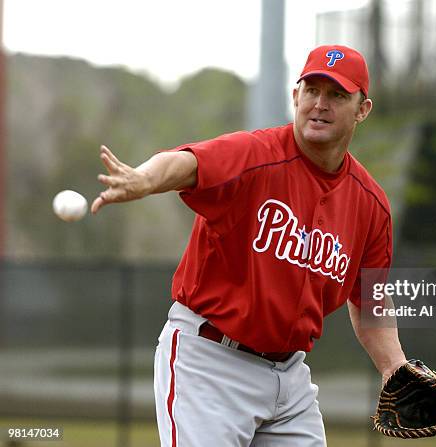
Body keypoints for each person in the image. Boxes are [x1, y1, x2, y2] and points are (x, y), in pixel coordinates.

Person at [92, 45, 407, 447]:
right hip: (208, 365)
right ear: (296, 96)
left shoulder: (370, 204)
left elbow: (370, 298)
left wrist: (393, 366)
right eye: (312, 90)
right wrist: (143, 179)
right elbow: (188, 163)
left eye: (337, 95)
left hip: (289, 379)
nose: (320, 104)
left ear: (362, 109)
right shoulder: (255, 154)